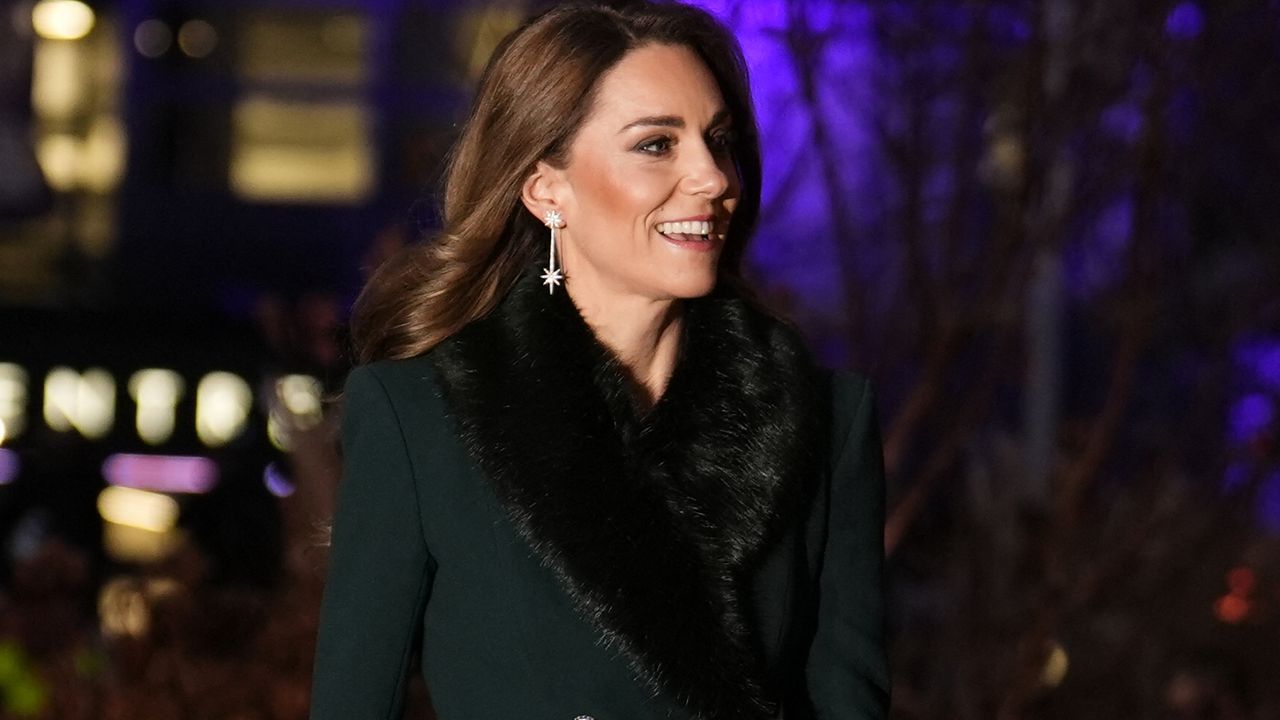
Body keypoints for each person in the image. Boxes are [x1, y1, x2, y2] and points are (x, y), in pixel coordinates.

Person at [309, 1, 889, 718]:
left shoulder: (825, 422)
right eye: (656, 144)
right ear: (548, 190)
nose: (713, 178)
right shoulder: (418, 420)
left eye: (720, 140)